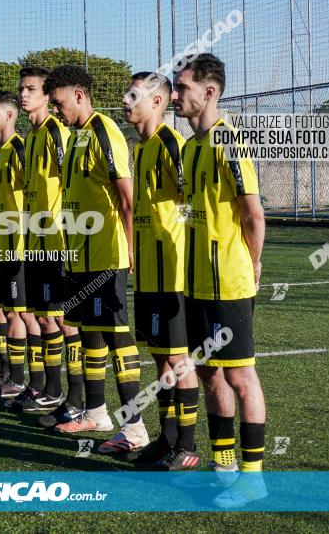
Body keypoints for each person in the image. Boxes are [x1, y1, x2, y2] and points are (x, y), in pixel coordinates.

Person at [171, 53, 266, 506]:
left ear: (209, 92)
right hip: (195, 285)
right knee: (210, 374)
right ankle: (224, 467)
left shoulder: (232, 143)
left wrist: (254, 264)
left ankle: (253, 477)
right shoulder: (189, 149)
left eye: (182, 87)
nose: (174, 95)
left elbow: (253, 213)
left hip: (229, 282)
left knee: (242, 377)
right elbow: (193, 209)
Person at [43, 65, 145, 448]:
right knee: (89, 334)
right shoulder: (76, 137)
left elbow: (126, 195)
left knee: (118, 337)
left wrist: (131, 248)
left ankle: (134, 428)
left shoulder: (104, 129)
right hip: (80, 258)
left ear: (80, 96)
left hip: (106, 256)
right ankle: (97, 414)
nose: (55, 110)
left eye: (59, 102)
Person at [109, 71, 199, 466]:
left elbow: (192, 203)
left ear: (158, 102)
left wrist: (180, 238)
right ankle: (168, 438)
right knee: (161, 358)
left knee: (180, 361)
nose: (126, 102)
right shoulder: (141, 148)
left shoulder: (171, 144)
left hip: (174, 272)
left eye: (134, 96)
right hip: (149, 271)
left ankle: (189, 448)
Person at [16, 66, 83, 424]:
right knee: (44, 318)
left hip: (57, 241)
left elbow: (70, 181)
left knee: (64, 320)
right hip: (35, 241)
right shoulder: (33, 135)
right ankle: (51, 391)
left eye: (31, 89)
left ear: (47, 95)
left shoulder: (58, 132)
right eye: (21, 89)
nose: (23, 94)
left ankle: (72, 398)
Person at [0, 91, 40, 402]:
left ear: (9, 115)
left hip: (18, 245)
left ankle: (25, 381)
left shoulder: (19, 148)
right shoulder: (0, 152)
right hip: (1, 243)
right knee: (8, 311)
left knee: (24, 314)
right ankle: (10, 374)